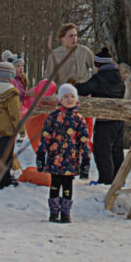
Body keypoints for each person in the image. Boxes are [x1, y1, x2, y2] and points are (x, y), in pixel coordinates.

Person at [36, 83, 91, 223]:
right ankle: (54, 212)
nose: (69, 99)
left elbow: (84, 140)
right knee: (55, 184)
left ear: (76, 99)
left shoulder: (79, 119)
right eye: (66, 96)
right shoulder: (53, 117)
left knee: (68, 186)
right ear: (60, 99)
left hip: (71, 159)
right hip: (55, 158)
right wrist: (41, 154)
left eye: (72, 96)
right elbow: (45, 136)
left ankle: (65, 213)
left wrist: (85, 159)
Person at [75, 47, 126, 185]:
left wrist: (72, 86)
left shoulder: (100, 78)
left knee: (101, 150)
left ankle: (106, 180)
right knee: (117, 150)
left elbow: (85, 88)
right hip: (119, 120)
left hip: (104, 120)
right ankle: (119, 179)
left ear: (98, 65)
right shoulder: (119, 77)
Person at [0, 61, 24, 189]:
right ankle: (4, 180)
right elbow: (15, 113)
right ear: (10, 76)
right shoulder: (12, 92)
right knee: (5, 154)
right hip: (7, 129)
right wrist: (21, 128)